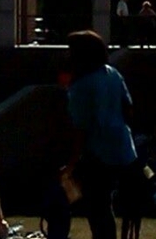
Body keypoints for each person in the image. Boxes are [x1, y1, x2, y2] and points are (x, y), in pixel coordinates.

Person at [62, 30, 138, 239]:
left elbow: (80, 129)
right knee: (105, 206)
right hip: (123, 149)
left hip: (98, 153)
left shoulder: (80, 86)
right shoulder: (113, 73)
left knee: (98, 208)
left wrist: (72, 163)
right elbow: (128, 108)